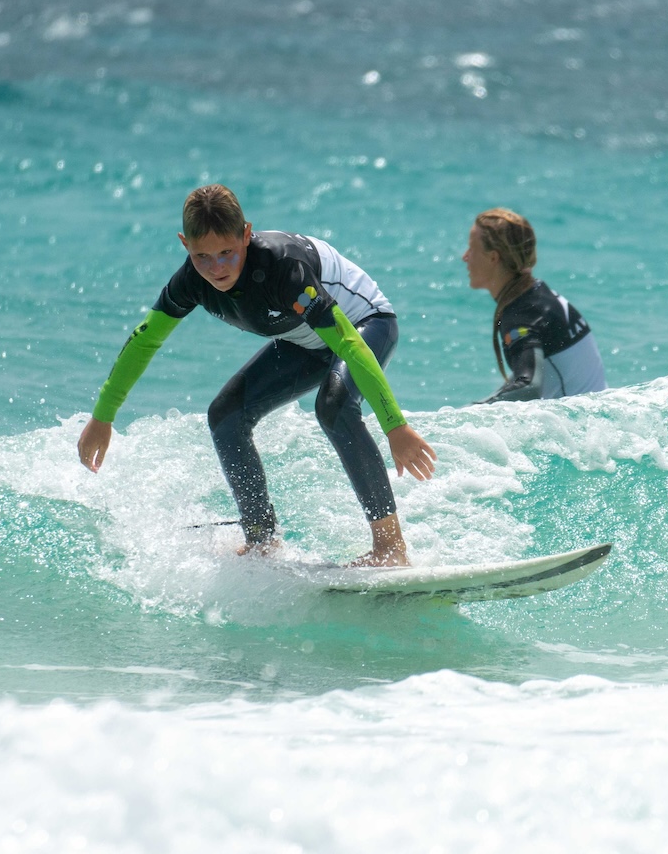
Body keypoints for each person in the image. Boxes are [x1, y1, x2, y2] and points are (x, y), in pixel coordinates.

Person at [77, 184, 437, 567]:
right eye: (203, 257)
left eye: (227, 253)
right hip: (305, 341)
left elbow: (348, 343)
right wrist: (103, 416)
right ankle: (262, 542)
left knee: (334, 406)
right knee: (226, 415)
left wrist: (394, 426)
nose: (217, 269)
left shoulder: (284, 269)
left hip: (365, 324)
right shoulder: (190, 282)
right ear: (185, 245)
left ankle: (390, 548)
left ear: (247, 234)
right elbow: (144, 342)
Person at [463, 207, 607, 403]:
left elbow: (529, 386)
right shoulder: (538, 297)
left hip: (582, 429)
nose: (465, 257)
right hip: (597, 416)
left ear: (493, 258)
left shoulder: (524, 314)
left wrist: (474, 413)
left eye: (472, 249)